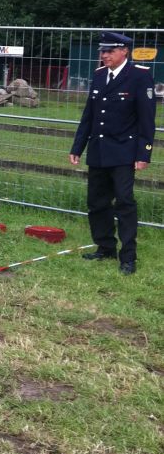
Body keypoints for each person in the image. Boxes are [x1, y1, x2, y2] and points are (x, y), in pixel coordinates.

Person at [69, 31, 155, 275]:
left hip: (124, 151)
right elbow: (89, 115)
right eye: (102, 51)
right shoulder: (99, 76)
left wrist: (144, 153)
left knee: (124, 202)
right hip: (99, 149)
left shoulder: (139, 77)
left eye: (110, 51)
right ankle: (105, 247)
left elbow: (147, 120)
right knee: (96, 202)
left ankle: (128, 257)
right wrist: (78, 146)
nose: (104, 55)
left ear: (124, 51)